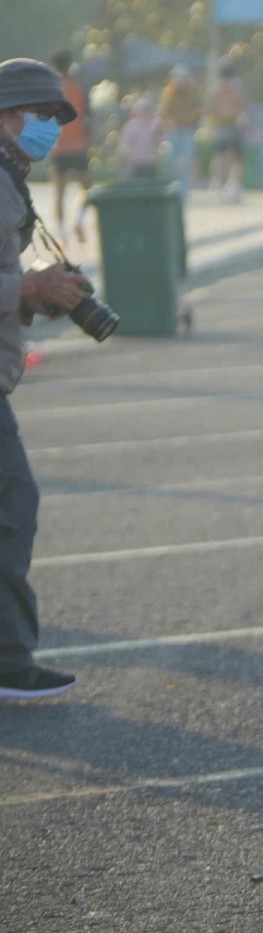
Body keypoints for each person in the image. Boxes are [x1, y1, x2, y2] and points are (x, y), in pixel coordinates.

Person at [0, 58, 93, 699]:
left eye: (58, 117)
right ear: (5, 115)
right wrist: (29, 289)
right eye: (42, 114)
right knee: (14, 505)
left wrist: (39, 294)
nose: (52, 128)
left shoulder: (10, 177)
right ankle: (9, 663)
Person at [46, 50, 92, 242]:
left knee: (59, 192)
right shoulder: (79, 88)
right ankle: (79, 220)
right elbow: (88, 118)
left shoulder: (51, 90)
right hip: (79, 145)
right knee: (86, 189)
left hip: (59, 146)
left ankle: (62, 232)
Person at [208, 61, 249, 202]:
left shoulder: (217, 89)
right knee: (236, 159)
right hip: (234, 126)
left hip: (221, 126)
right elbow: (243, 106)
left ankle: (223, 187)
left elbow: (211, 108)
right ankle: (235, 186)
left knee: (222, 158)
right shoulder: (237, 87)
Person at [159, 65, 204, 188]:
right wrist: (167, 125)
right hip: (174, 129)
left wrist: (195, 121)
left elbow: (199, 107)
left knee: (188, 158)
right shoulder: (169, 91)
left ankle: (185, 186)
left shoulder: (192, 89)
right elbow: (164, 110)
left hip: (188, 129)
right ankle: (171, 183)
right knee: (170, 158)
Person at [115, 96, 164, 177]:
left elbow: (159, 143)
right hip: (134, 165)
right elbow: (124, 146)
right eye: (146, 110)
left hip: (150, 163)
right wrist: (130, 156)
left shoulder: (155, 126)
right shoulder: (131, 126)